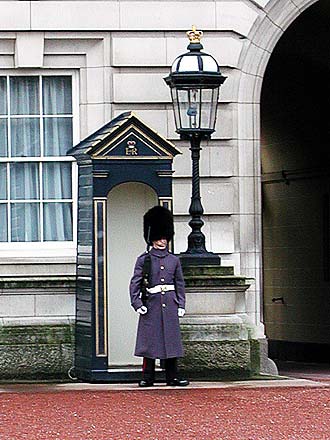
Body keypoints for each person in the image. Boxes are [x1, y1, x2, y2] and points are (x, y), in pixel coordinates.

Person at [129, 205, 189, 387]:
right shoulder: (144, 259)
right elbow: (135, 282)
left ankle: (172, 376)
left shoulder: (174, 260)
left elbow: (179, 283)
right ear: (152, 238)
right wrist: (137, 303)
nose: (162, 241)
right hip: (152, 303)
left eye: (164, 238)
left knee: (171, 341)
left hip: (170, 303)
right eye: (158, 238)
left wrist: (181, 304)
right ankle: (148, 377)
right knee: (149, 342)